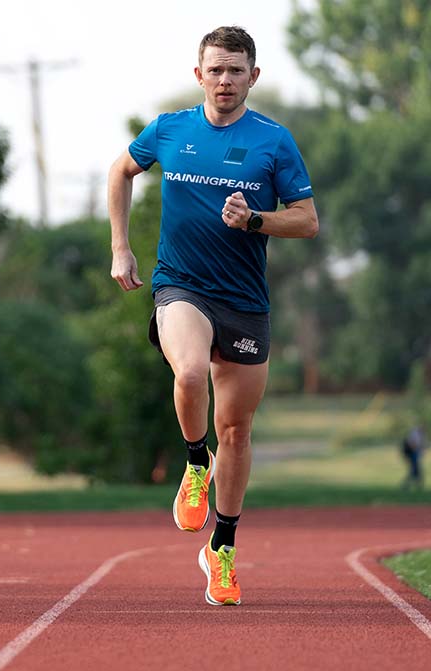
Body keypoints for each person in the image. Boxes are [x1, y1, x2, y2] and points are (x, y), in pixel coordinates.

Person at [107, 25, 318, 606]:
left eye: (236, 70)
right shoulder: (169, 130)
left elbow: (306, 220)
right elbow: (120, 172)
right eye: (215, 69)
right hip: (182, 286)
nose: (225, 80)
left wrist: (255, 220)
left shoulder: (274, 142)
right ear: (198, 74)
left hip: (244, 302)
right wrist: (121, 247)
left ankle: (221, 549)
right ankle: (194, 463)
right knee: (190, 373)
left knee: (238, 431)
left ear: (254, 76)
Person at [401, 425, 427, 490]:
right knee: (415, 470)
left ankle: (415, 485)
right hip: (413, 454)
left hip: (414, 454)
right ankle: (409, 485)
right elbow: (412, 444)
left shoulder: (418, 435)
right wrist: (417, 450)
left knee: (416, 471)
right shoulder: (415, 434)